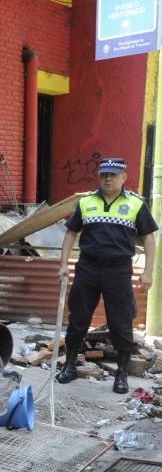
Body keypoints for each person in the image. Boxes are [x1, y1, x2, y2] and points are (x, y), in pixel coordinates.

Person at [56, 158, 157, 394]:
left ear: (124, 177)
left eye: (113, 175)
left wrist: (148, 271)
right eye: (104, 175)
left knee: (121, 323)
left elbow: (149, 238)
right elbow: (71, 233)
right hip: (88, 269)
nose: (108, 179)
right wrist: (63, 264)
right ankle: (69, 365)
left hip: (119, 271)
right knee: (78, 319)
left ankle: (121, 374)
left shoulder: (135, 204)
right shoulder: (86, 202)